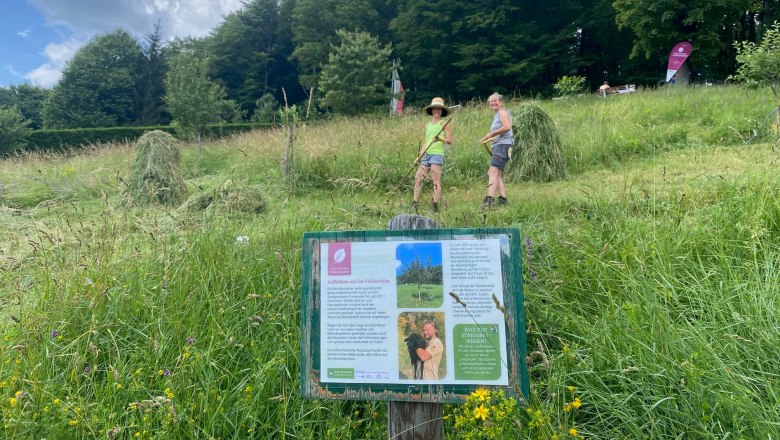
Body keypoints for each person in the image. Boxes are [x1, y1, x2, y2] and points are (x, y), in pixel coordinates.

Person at [412, 97, 452, 213]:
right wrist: (419, 156)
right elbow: (426, 142)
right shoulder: (428, 125)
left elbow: (449, 140)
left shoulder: (444, 124)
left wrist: (440, 138)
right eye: (435, 109)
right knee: (418, 178)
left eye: (439, 109)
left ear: (442, 111)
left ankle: (434, 205)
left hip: (437, 154)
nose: (437, 111)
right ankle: (415, 203)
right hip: (427, 154)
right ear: (432, 110)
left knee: (435, 179)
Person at [479, 93, 513, 208]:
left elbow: (507, 127)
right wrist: (487, 137)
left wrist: (492, 133)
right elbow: (499, 131)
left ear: (500, 102)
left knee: (493, 171)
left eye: (495, 101)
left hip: (503, 145)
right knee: (494, 173)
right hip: (499, 144)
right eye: (491, 102)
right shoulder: (497, 115)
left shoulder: (502, 112)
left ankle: (490, 200)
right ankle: (503, 199)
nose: (493, 103)